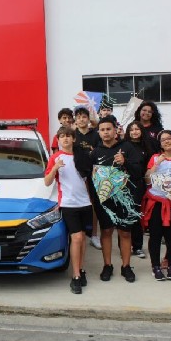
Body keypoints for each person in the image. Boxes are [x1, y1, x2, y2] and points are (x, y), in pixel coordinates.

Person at [89, 116, 142, 283]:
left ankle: (126, 266)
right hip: (104, 200)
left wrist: (125, 162)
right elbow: (91, 179)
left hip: (125, 199)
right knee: (106, 231)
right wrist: (94, 199)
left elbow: (138, 172)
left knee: (125, 232)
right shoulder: (95, 153)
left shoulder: (127, 147)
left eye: (108, 129)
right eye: (102, 130)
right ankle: (107, 265)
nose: (105, 132)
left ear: (115, 130)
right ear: (99, 132)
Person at [44, 127, 93, 294]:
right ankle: (76, 276)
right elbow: (47, 182)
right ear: (58, 140)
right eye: (62, 136)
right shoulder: (55, 158)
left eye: (68, 136)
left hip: (85, 203)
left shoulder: (82, 156)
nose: (65, 139)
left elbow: (88, 179)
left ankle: (82, 269)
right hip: (68, 204)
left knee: (83, 239)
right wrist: (55, 168)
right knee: (76, 238)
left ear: (74, 139)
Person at [141, 130, 171, 281]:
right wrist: (157, 164)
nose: (167, 141)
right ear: (160, 144)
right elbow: (147, 179)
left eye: (169, 138)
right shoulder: (155, 158)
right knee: (155, 235)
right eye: (163, 140)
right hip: (156, 202)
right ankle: (155, 266)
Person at [124, 121, 156, 258]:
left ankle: (137, 247)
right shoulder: (123, 146)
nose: (134, 132)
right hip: (125, 185)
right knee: (125, 215)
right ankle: (124, 247)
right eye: (131, 130)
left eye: (137, 129)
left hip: (140, 185)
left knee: (137, 216)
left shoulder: (146, 147)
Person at [73, 106, 102, 249]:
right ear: (75, 120)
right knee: (78, 204)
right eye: (78, 117)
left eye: (84, 117)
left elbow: (101, 152)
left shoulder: (96, 134)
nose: (81, 119)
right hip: (76, 174)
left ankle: (94, 235)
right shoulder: (72, 135)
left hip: (94, 173)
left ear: (88, 119)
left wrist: (94, 152)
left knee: (93, 204)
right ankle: (80, 233)